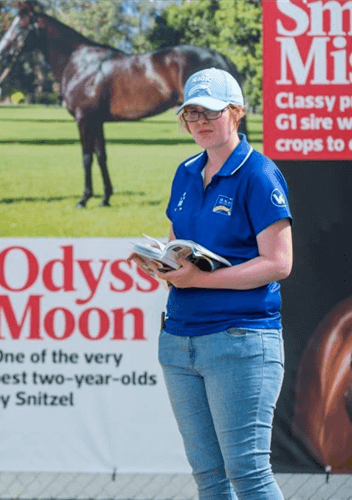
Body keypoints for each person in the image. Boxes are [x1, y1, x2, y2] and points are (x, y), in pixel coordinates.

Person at [129, 68, 293, 499]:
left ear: (236, 113)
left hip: (240, 341)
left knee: (249, 473)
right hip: (180, 341)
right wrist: (163, 266)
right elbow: (177, 242)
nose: (200, 122)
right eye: (192, 113)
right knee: (210, 477)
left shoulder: (259, 174)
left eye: (212, 112)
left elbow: (279, 263)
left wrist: (201, 281)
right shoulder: (185, 172)